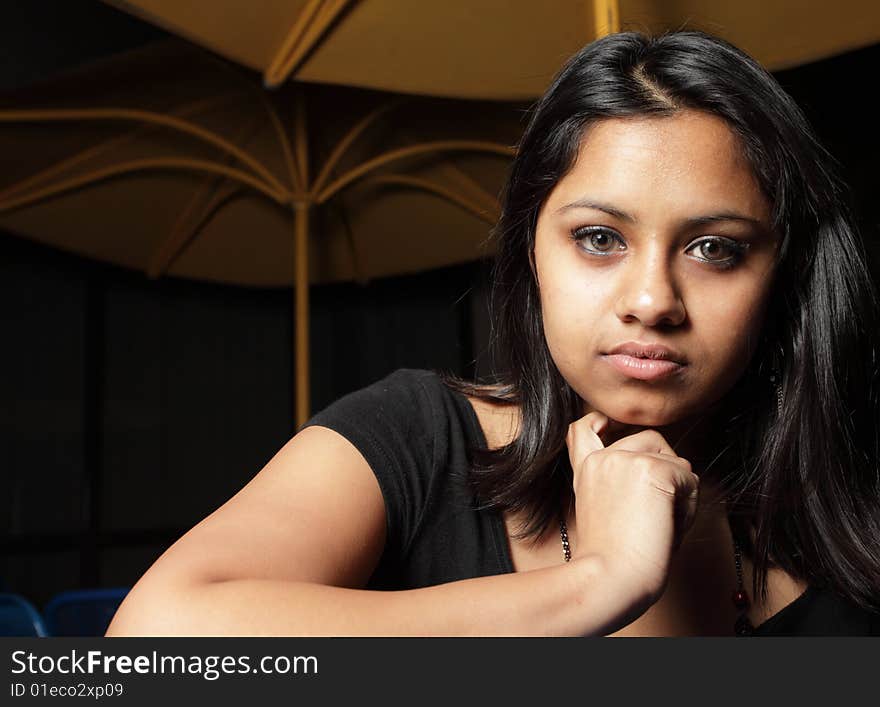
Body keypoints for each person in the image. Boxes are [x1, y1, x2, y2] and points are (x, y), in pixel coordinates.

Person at [105, 30, 880, 637]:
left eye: (715, 248)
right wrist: (598, 582)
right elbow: (150, 651)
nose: (651, 300)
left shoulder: (843, 511)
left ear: (784, 272)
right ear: (530, 250)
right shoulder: (415, 439)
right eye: (600, 238)